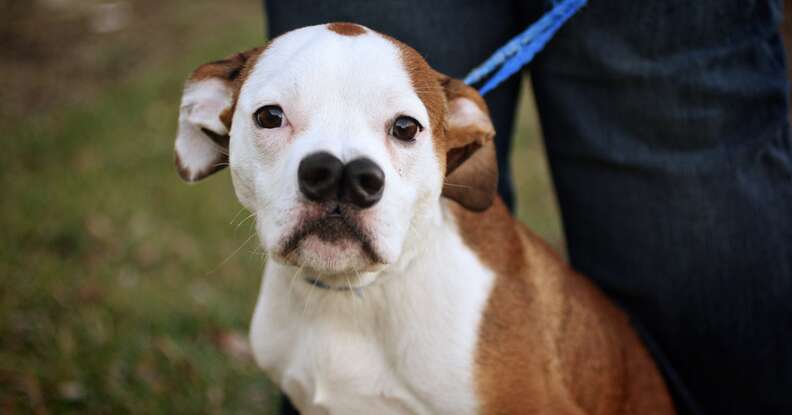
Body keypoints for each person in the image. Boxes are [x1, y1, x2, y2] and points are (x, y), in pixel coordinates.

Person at [263, 1, 792, 414]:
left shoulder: (466, 356)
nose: (337, 174)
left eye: (404, 129)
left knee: (687, 211)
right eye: (271, 118)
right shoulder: (273, 335)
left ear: (462, 140)